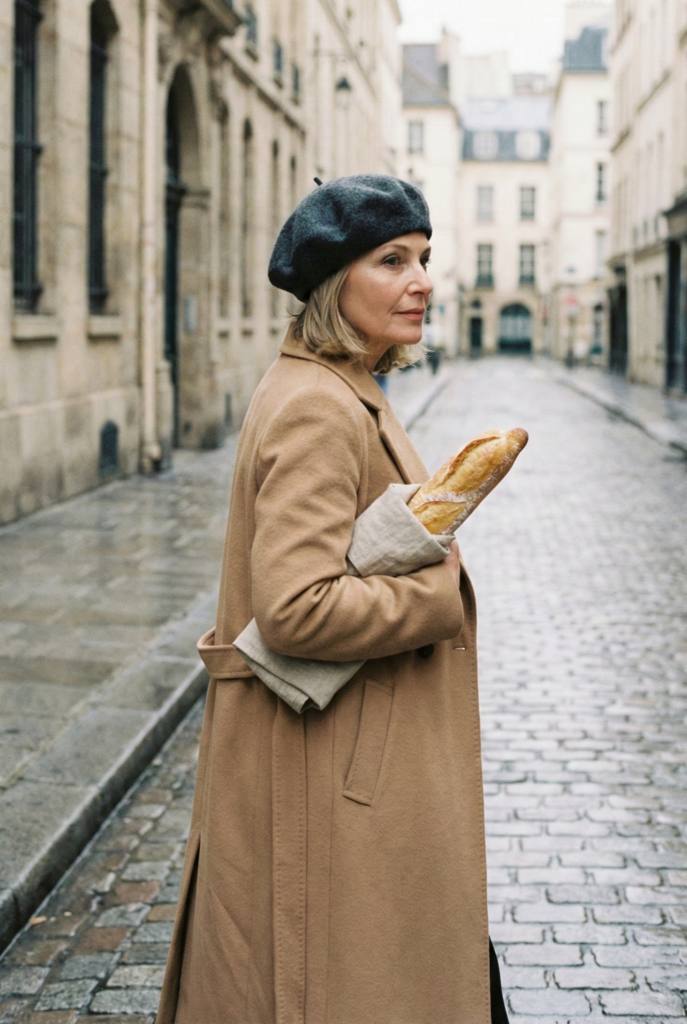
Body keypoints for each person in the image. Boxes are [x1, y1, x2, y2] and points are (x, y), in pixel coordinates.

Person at [157, 175, 508, 1024]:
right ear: (332, 282)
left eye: (424, 259)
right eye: (392, 260)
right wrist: (435, 602)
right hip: (326, 771)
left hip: (342, 753)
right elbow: (296, 609)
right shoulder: (319, 405)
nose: (421, 280)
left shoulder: (339, 386)